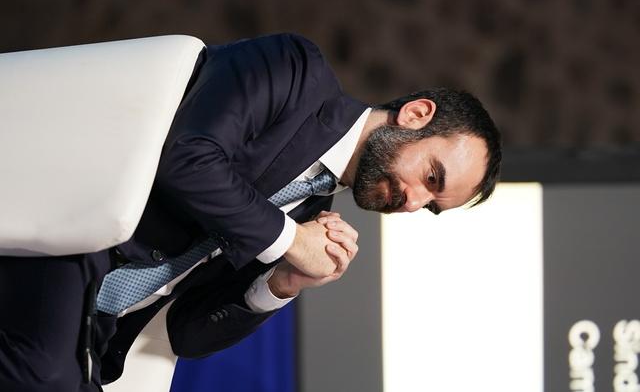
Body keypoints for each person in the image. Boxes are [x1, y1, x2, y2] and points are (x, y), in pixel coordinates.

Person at [0, 33, 501, 391]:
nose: (414, 202)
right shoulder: (295, 71)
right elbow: (187, 159)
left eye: (431, 206)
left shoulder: (311, 211)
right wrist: (290, 241)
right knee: (45, 378)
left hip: (95, 334)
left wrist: (282, 283)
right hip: (69, 247)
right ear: (415, 115)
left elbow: (186, 334)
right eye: (432, 178)